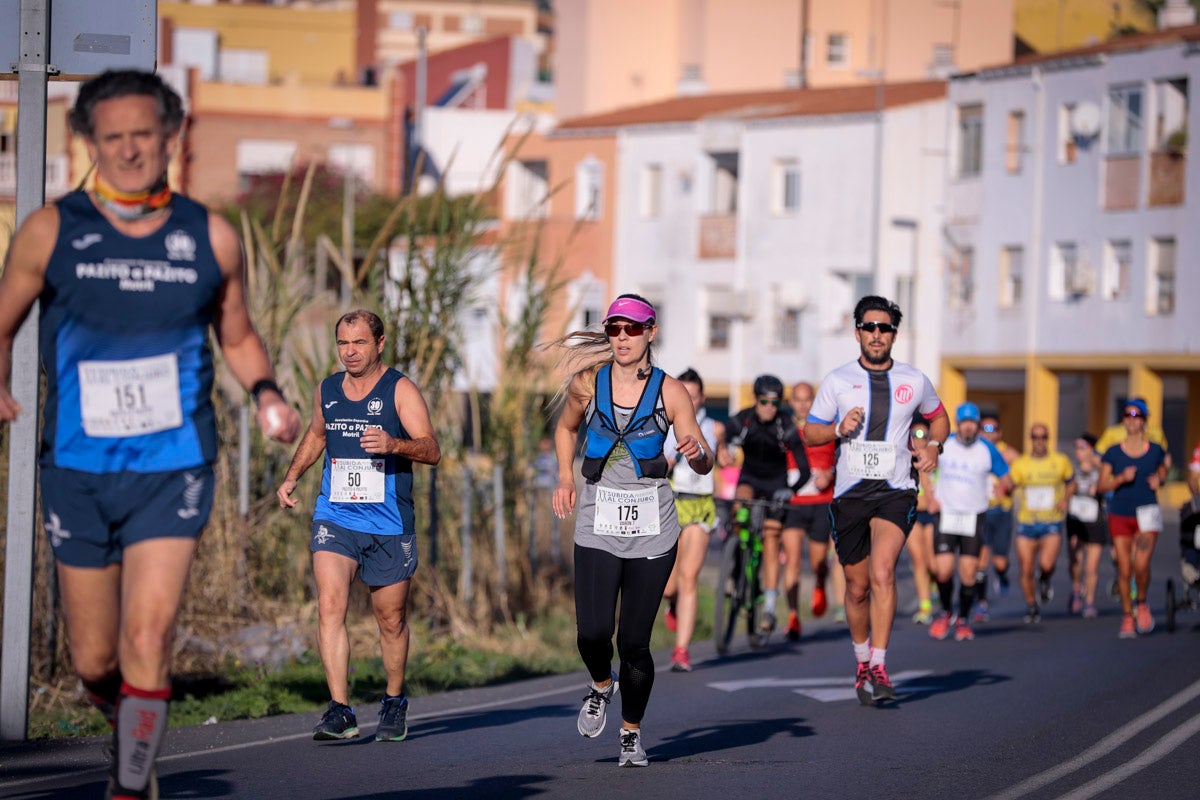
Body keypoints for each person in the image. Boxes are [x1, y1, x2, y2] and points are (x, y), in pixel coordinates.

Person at [0, 70, 301, 800]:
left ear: (172, 136)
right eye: (114, 137)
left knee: (147, 641)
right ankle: (126, 717)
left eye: (144, 134)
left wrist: (266, 393)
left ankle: (130, 786)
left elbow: (238, 335)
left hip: (175, 464)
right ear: (89, 142)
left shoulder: (210, 235)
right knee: (96, 661)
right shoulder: (51, 229)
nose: (130, 150)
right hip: (77, 466)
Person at [550, 294, 712, 767]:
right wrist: (565, 475)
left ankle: (630, 732)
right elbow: (565, 430)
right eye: (615, 329)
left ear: (651, 332)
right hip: (599, 519)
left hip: (654, 528)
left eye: (632, 329)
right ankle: (601, 683)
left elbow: (703, 461)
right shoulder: (588, 383)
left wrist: (697, 452)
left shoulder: (671, 391)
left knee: (635, 642)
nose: (622, 337)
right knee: (592, 633)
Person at [276, 309, 440, 743]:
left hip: (388, 522)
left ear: (380, 344)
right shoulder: (328, 389)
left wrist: (393, 444)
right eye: (343, 344)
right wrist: (293, 475)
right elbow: (317, 434)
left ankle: (393, 699)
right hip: (337, 515)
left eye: (360, 343)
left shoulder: (400, 390)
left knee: (390, 619)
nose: (350, 352)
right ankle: (341, 709)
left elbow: (432, 450)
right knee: (330, 604)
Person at [805, 295, 948, 706]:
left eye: (884, 328)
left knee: (884, 572)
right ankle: (862, 660)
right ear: (857, 333)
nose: (876, 334)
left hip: (895, 488)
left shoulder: (914, 379)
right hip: (850, 493)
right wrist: (836, 429)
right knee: (856, 587)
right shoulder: (837, 381)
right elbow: (810, 433)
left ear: (894, 335)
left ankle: (881, 666)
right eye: (869, 327)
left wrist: (934, 445)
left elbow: (939, 416)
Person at [724, 373, 811, 635]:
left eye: (775, 403)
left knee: (772, 539)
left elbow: (804, 470)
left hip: (776, 485)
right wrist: (722, 450)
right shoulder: (743, 420)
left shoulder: (786, 425)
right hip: (750, 478)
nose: (769, 408)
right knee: (741, 503)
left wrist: (791, 490)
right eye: (764, 402)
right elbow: (721, 438)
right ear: (755, 399)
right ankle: (737, 565)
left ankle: (771, 607)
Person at [661, 368, 726, 672]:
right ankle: (671, 602)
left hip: (700, 504)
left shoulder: (714, 427)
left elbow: (723, 459)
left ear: (702, 398)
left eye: (694, 394)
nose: (689, 399)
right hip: (671, 504)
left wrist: (723, 456)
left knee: (689, 577)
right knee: (667, 585)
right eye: (683, 393)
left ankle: (681, 650)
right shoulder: (664, 423)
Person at [928, 403, 1011, 642]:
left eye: (972, 423)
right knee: (943, 571)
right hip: (947, 514)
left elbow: (1007, 478)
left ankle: (963, 620)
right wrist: (930, 495)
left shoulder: (987, 450)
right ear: (957, 423)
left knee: (967, 574)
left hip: (973, 516)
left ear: (976, 426)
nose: (968, 427)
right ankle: (945, 613)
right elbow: (924, 464)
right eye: (964, 423)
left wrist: (1003, 487)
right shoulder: (945, 443)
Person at [1097, 398, 1168, 638]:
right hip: (1120, 513)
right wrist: (1120, 479)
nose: (1131, 419)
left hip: (1148, 512)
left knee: (1141, 564)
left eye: (1136, 416)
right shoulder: (1114, 452)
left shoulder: (1155, 450)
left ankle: (1142, 603)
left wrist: (1161, 479)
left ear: (1144, 422)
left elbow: (1163, 468)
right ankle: (1128, 616)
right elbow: (1100, 485)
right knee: (1125, 569)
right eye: (1127, 415)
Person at [780, 380, 836, 639]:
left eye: (807, 400)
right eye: (798, 400)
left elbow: (841, 457)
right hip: (793, 503)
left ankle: (820, 582)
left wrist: (830, 473)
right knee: (791, 559)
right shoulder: (784, 428)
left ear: (814, 401)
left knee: (817, 562)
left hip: (820, 502)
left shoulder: (825, 427)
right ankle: (792, 617)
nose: (803, 405)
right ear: (791, 402)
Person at [1009, 423, 1075, 624]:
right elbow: (1009, 484)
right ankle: (1031, 606)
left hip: (1051, 522)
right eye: (1035, 437)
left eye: (1043, 437)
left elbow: (1071, 482)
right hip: (1027, 523)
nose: (1039, 441)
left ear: (1048, 438)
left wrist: (1066, 498)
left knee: (1046, 564)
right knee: (1026, 568)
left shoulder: (1060, 461)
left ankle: (1045, 579)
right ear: (1031, 439)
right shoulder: (1021, 464)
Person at [976, 413, 1018, 620]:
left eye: (993, 430)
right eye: (984, 429)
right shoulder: (974, 451)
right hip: (981, 511)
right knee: (980, 561)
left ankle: (1002, 575)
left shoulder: (1009, 454)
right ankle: (981, 603)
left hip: (1002, 512)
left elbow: (1019, 478)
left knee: (1000, 562)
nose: (988, 434)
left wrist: (1008, 486)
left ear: (1000, 433)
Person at [1066, 433, 1107, 618]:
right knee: (1075, 559)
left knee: (1092, 566)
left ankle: (1089, 601)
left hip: (1095, 518)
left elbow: (1109, 474)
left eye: (1082, 447)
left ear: (1091, 448)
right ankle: (1077, 588)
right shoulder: (1071, 467)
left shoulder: (1100, 465)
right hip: (1075, 517)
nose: (1078, 451)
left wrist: (1096, 461)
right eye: (1076, 447)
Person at [906, 418, 939, 625]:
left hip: (932, 515)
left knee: (933, 564)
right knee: (919, 561)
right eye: (914, 435)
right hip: (912, 514)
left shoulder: (934, 460)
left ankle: (935, 581)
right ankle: (924, 606)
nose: (919, 440)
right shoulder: (905, 457)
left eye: (923, 435)